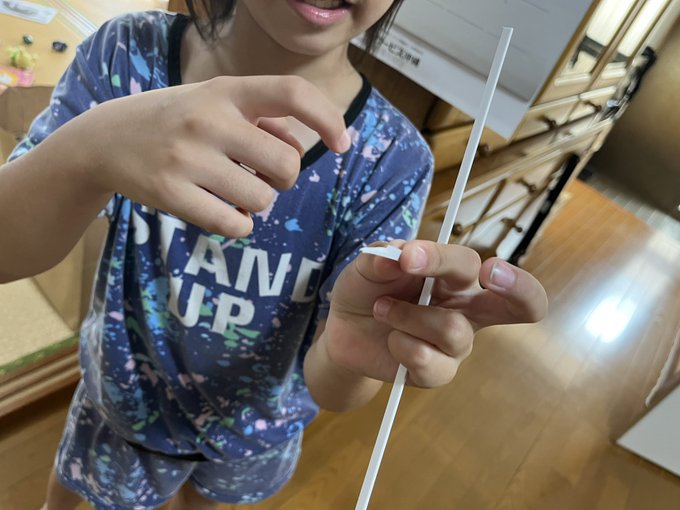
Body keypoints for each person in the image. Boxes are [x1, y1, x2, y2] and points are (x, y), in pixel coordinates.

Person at [0, 1, 548, 508]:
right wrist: (90, 151)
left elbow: (335, 376)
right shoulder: (130, 55)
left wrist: (360, 347)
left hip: (255, 438)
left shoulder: (391, 159)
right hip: (121, 404)